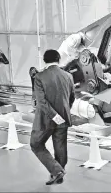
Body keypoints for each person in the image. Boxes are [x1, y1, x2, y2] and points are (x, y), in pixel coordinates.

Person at [30, 49, 76, 185]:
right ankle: (58, 174)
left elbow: (41, 101)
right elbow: (72, 97)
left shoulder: (39, 77)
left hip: (46, 120)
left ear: (44, 60)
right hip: (64, 118)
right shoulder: (68, 76)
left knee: (36, 144)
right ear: (59, 59)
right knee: (60, 147)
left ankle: (56, 171)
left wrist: (54, 116)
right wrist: (64, 112)